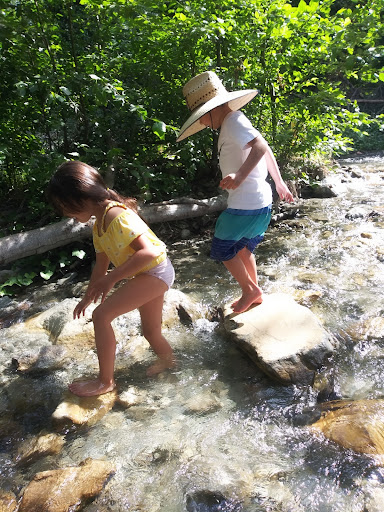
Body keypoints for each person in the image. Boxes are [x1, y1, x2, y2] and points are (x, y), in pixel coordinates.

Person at [46, 161, 175, 397]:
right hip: (151, 273)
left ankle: (105, 382)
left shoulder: (116, 215)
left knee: (102, 316)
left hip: (155, 272)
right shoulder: (99, 225)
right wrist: (87, 297)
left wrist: (112, 280)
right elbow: (101, 267)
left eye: (65, 206)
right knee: (150, 331)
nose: (65, 213)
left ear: (81, 198)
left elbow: (150, 252)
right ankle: (171, 364)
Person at [177, 71, 294, 314]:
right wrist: (279, 182)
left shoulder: (233, 122)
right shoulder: (236, 121)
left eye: (202, 118)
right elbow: (265, 146)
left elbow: (261, 147)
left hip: (246, 203)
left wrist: (239, 176)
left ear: (211, 109)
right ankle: (254, 292)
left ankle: (250, 290)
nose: (202, 123)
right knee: (242, 248)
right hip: (260, 202)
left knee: (222, 248)